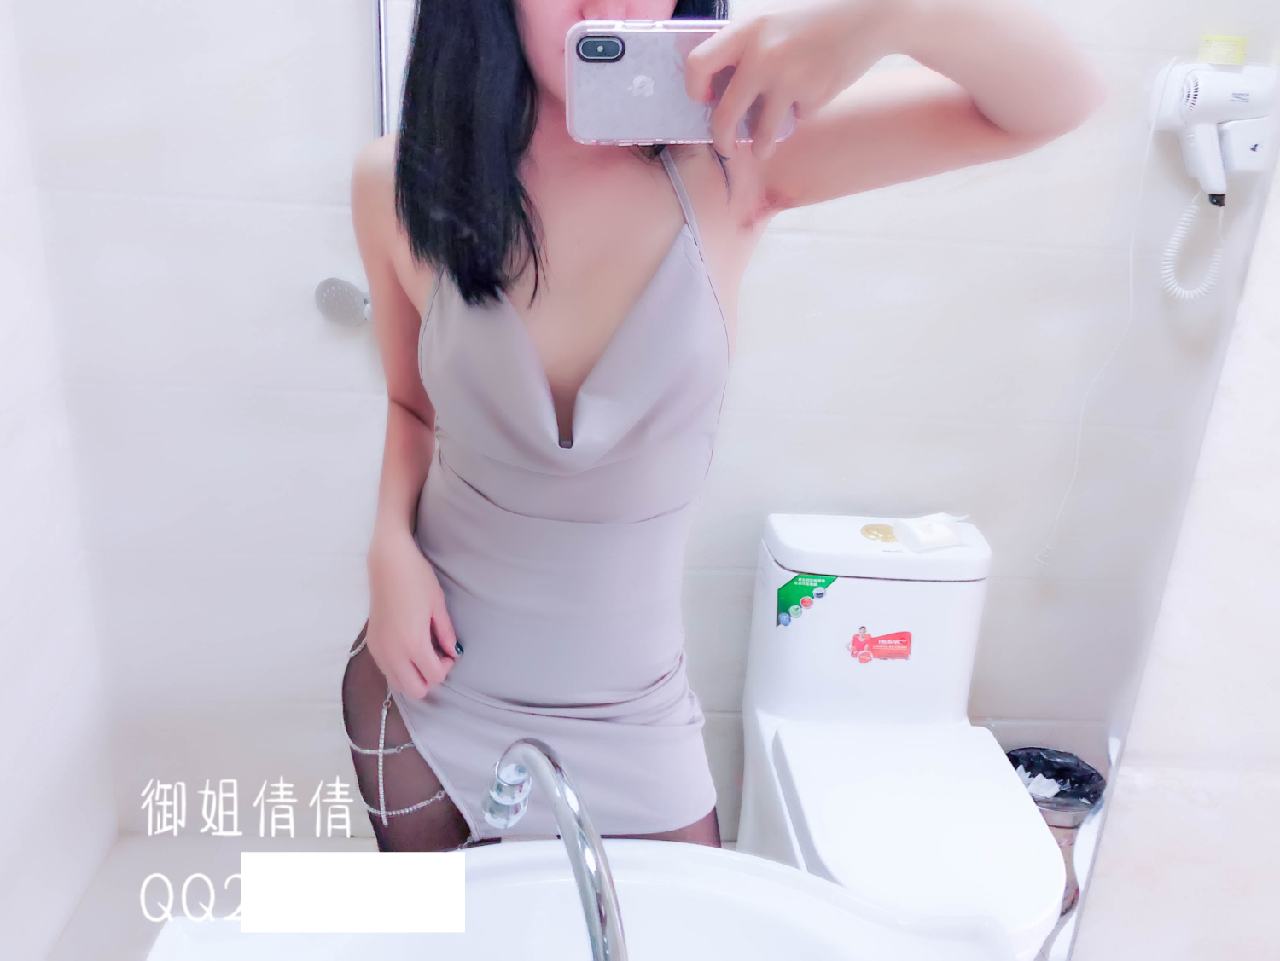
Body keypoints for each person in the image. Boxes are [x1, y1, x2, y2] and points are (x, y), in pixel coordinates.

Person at [341, 0, 1106, 852]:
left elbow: (1057, 100)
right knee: (441, 923)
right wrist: (388, 548)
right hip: (432, 687)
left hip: (635, 716)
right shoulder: (396, 183)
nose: (607, 5)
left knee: (676, 914)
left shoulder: (737, 154)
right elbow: (411, 405)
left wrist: (891, 15)